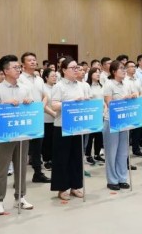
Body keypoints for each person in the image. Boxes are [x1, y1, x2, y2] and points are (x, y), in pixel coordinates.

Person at [0, 55, 35, 215]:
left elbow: (31, 108)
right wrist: (5, 105)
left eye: (19, 67)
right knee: (1, 168)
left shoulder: (25, 88)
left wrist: (29, 102)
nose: (18, 69)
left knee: (21, 166)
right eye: (15, 67)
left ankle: (20, 197)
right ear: (6, 70)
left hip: (22, 131)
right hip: (5, 133)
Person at [51, 57, 90, 200]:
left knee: (76, 157)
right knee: (62, 158)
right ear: (64, 70)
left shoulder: (81, 85)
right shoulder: (59, 86)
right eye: (73, 68)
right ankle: (62, 188)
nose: (76, 70)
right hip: (62, 126)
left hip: (78, 125)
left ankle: (75, 186)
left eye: (77, 67)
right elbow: (54, 105)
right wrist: (72, 103)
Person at [103, 60, 138, 190]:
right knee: (111, 152)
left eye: (124, 68)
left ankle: (122, 178)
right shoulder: (108, 84)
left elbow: (135, 95)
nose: (124, 70)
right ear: (113, 71)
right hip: (111, 121)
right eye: (121, 68)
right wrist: (124, 99)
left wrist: (133, 96)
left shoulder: (127, 83)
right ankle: (112, 180)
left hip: (124, 121)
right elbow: (109, 104)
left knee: (123, 152)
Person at [18, 52, 51, 183]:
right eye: (29, 60)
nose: (33, 62)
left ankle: (38, 173)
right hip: (24, 116)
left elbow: (45, 95)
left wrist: (41, 106)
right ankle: (19, 177)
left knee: (37, 146)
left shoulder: (39, 79)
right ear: (23, 64)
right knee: (22, 147)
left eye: (34, 60)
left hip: (37, 116)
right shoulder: (19, 78)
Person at [85, 67, 104, 165]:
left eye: (99, 72)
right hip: (91, 114)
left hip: (101, 114)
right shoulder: (87, 86)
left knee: (99, 136)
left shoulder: (101, 86)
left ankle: (97, 154)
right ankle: (88, 155)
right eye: (96, 72)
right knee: (90, 136)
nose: (98, 74)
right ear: (90, 74)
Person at [41, 68, 58, 169]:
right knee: (47, 141)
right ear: (46, 77)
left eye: (55, 76)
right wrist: (53, 113)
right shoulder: (43, 88)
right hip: (46, 118)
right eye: (52, 76)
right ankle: (46, 160)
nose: (55, 77)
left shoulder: (57, 87)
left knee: (54, 141)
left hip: (57, 119)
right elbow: (43, 104)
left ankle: (53, 159)